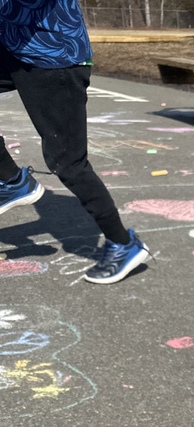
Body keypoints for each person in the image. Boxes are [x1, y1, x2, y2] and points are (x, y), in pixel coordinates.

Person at [0, 0, 149, 284]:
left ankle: (123, 243)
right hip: (15, 47)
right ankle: (12, 181)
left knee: (67, 162)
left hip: (56, 54)